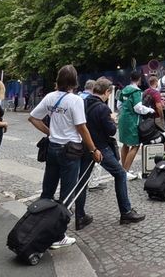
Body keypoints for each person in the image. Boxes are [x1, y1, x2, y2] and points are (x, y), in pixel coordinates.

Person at [28, 65, 102, 249]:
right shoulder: (74, 100)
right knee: (67, 194)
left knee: (47, 191)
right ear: (74, 81)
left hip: (53, 148)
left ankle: (37, 227)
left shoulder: (50, 97)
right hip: (70, 151)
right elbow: (81, 128)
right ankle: (57, 235)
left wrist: (50, 132)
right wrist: (93, 150)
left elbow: (33, 118)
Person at [76, 78, 145, 228]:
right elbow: (111, 131)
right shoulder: (103, 108)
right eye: (109, 93)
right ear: (107, 92)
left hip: (86, 146)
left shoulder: (83, 103)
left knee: (82, 182)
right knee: (120, 174)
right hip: (100, 147)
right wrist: (112, 119)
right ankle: (126, 212)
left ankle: (79, 215)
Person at [118, 72, 153, 180]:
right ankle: (125, 171)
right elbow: (138, 108)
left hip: (123, 119)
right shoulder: (136, 91)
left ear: (130, 78)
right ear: (139, 79)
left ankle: (124, 168)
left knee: (125, 144)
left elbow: (118, 105)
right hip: (132, 120)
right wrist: (149, 110)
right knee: (135, 145)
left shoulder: (123, 90)